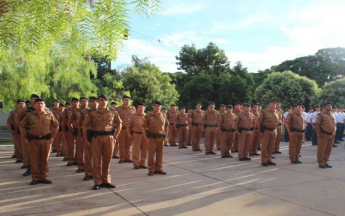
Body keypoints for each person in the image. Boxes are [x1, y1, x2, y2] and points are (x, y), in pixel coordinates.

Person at [83, 94, 122, 190]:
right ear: (98, 101)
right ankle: (97, 181)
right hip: (96, 138)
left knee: (107, 160)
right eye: (101, 100)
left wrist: (116, 136)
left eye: (105, 100)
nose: (103, 101)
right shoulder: (92, 113)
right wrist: (86, 139)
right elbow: (84, 125)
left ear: (107, 101)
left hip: (109, 138)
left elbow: (119, 123)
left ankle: (106, 180)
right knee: (96, 161)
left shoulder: (113, 112)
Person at [20, 98, 59, 185]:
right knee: (34, 160)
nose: (40, 105)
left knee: (45, 159)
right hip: (33, 140)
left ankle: (44, 177)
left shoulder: (49, 115)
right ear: (34, 105)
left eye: (42, 103)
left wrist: (52, 137)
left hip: (45, 140)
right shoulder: (29, 116)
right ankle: (35, 177)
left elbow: (56, 126)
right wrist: (25, 137)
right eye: (38, 103)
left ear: (44, 105)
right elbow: (22, 126)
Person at [142, 101, 169, 176]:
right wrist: (145, 138)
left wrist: (166, 136)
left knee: (160, 154)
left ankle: (158, 169)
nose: (158, 107)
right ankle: (151, 169)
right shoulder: (148, 116)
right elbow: (143, 128)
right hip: (152, 138)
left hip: (161, 138)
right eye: (156, 106)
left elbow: (166, 126)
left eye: (159, 106)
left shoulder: (163, 115)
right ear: (153, 106)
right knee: (151, 154)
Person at [16, 94, 41, 176]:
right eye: (33, 99)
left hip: (40, 134)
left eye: (36, 99)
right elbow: (18, 119)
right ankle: (29, 168)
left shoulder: (44, 109)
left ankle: (40, 170)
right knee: (28, 152)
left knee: (40, 153)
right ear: (30, 100)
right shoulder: (25, 109)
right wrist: (21, 130)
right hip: (29, 134)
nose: (34, 100)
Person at [80, 96, 98, 181]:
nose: (94, 103)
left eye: (95, 101)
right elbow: (81, 125)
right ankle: (88, 173)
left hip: (99, 134)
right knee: (88, 156)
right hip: (89, 134)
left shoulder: (102, 111)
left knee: (98, 156)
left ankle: (97, 174)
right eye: (92, 101)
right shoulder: (85, 112)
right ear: (89, 103)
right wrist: (83, 137)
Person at [69, 97, 89, 172]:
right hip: (80, 133)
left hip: (89, 133)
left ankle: (88, 167)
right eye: (83, 101)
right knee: (80, 150)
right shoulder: (76, 111)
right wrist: (73, 132)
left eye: (86, 101)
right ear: (80, 102)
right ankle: (80, 166)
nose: (84, 103)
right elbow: (69, 122)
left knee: (88, 151)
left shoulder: (90, 111)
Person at [315, 102, 336, 169]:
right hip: (324, 134)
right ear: (324, 107)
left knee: (328, 149)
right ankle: (321, 162)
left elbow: (334, 124)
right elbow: (317, 125)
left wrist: (334, 132)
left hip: (331, 135)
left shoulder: (332, 114)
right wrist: (319, 133)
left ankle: (325, 161)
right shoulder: (320, 114)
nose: (330, 107)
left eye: (331, 106)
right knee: (322, 149)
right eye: (328, 105)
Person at [258, 100, 280, 166]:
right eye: (272, 104)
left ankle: (269, 159)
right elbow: (259, 122)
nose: (274, 105)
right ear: (268, 104)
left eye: (275, 104)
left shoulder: (276, 112)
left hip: (273, 130)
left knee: (271, 146)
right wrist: (260, 131)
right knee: (264, 146)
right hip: (266, 131)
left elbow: (277, 121)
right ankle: (264, 160)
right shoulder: (264, 112)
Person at [127, 103, 148, 169]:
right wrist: (129, 134)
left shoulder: (147, 116)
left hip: (145, 135)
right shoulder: (133, 116)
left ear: (144, 108)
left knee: (144, 150)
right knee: (136, 149)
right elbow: (128, 126)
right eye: (139, 107)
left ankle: (142, 163)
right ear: (137, 108)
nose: (141, 109)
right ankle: (136, 163)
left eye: (142, 107)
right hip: (136, 134)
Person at [116, 95, 136, 163]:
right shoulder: (118, 109)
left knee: (129, 144)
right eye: (125, 100)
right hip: (122, 128)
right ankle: (122, 157)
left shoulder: (133, 108)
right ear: (123, 100)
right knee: (121, 144)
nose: (127, 101)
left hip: (130, 129)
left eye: (128, 100)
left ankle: (128, 157)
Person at [63, 98, 79, 166]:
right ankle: (70, 160)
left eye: (77, 102)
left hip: (78, 130)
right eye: (74, 102)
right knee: (70, 145)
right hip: (70, 130)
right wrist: (64, 131)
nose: (75, 103)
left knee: (79, 146)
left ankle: (77, 159)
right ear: (71, 103)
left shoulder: (80, 110)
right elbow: (64, 121)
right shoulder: (67, 110)